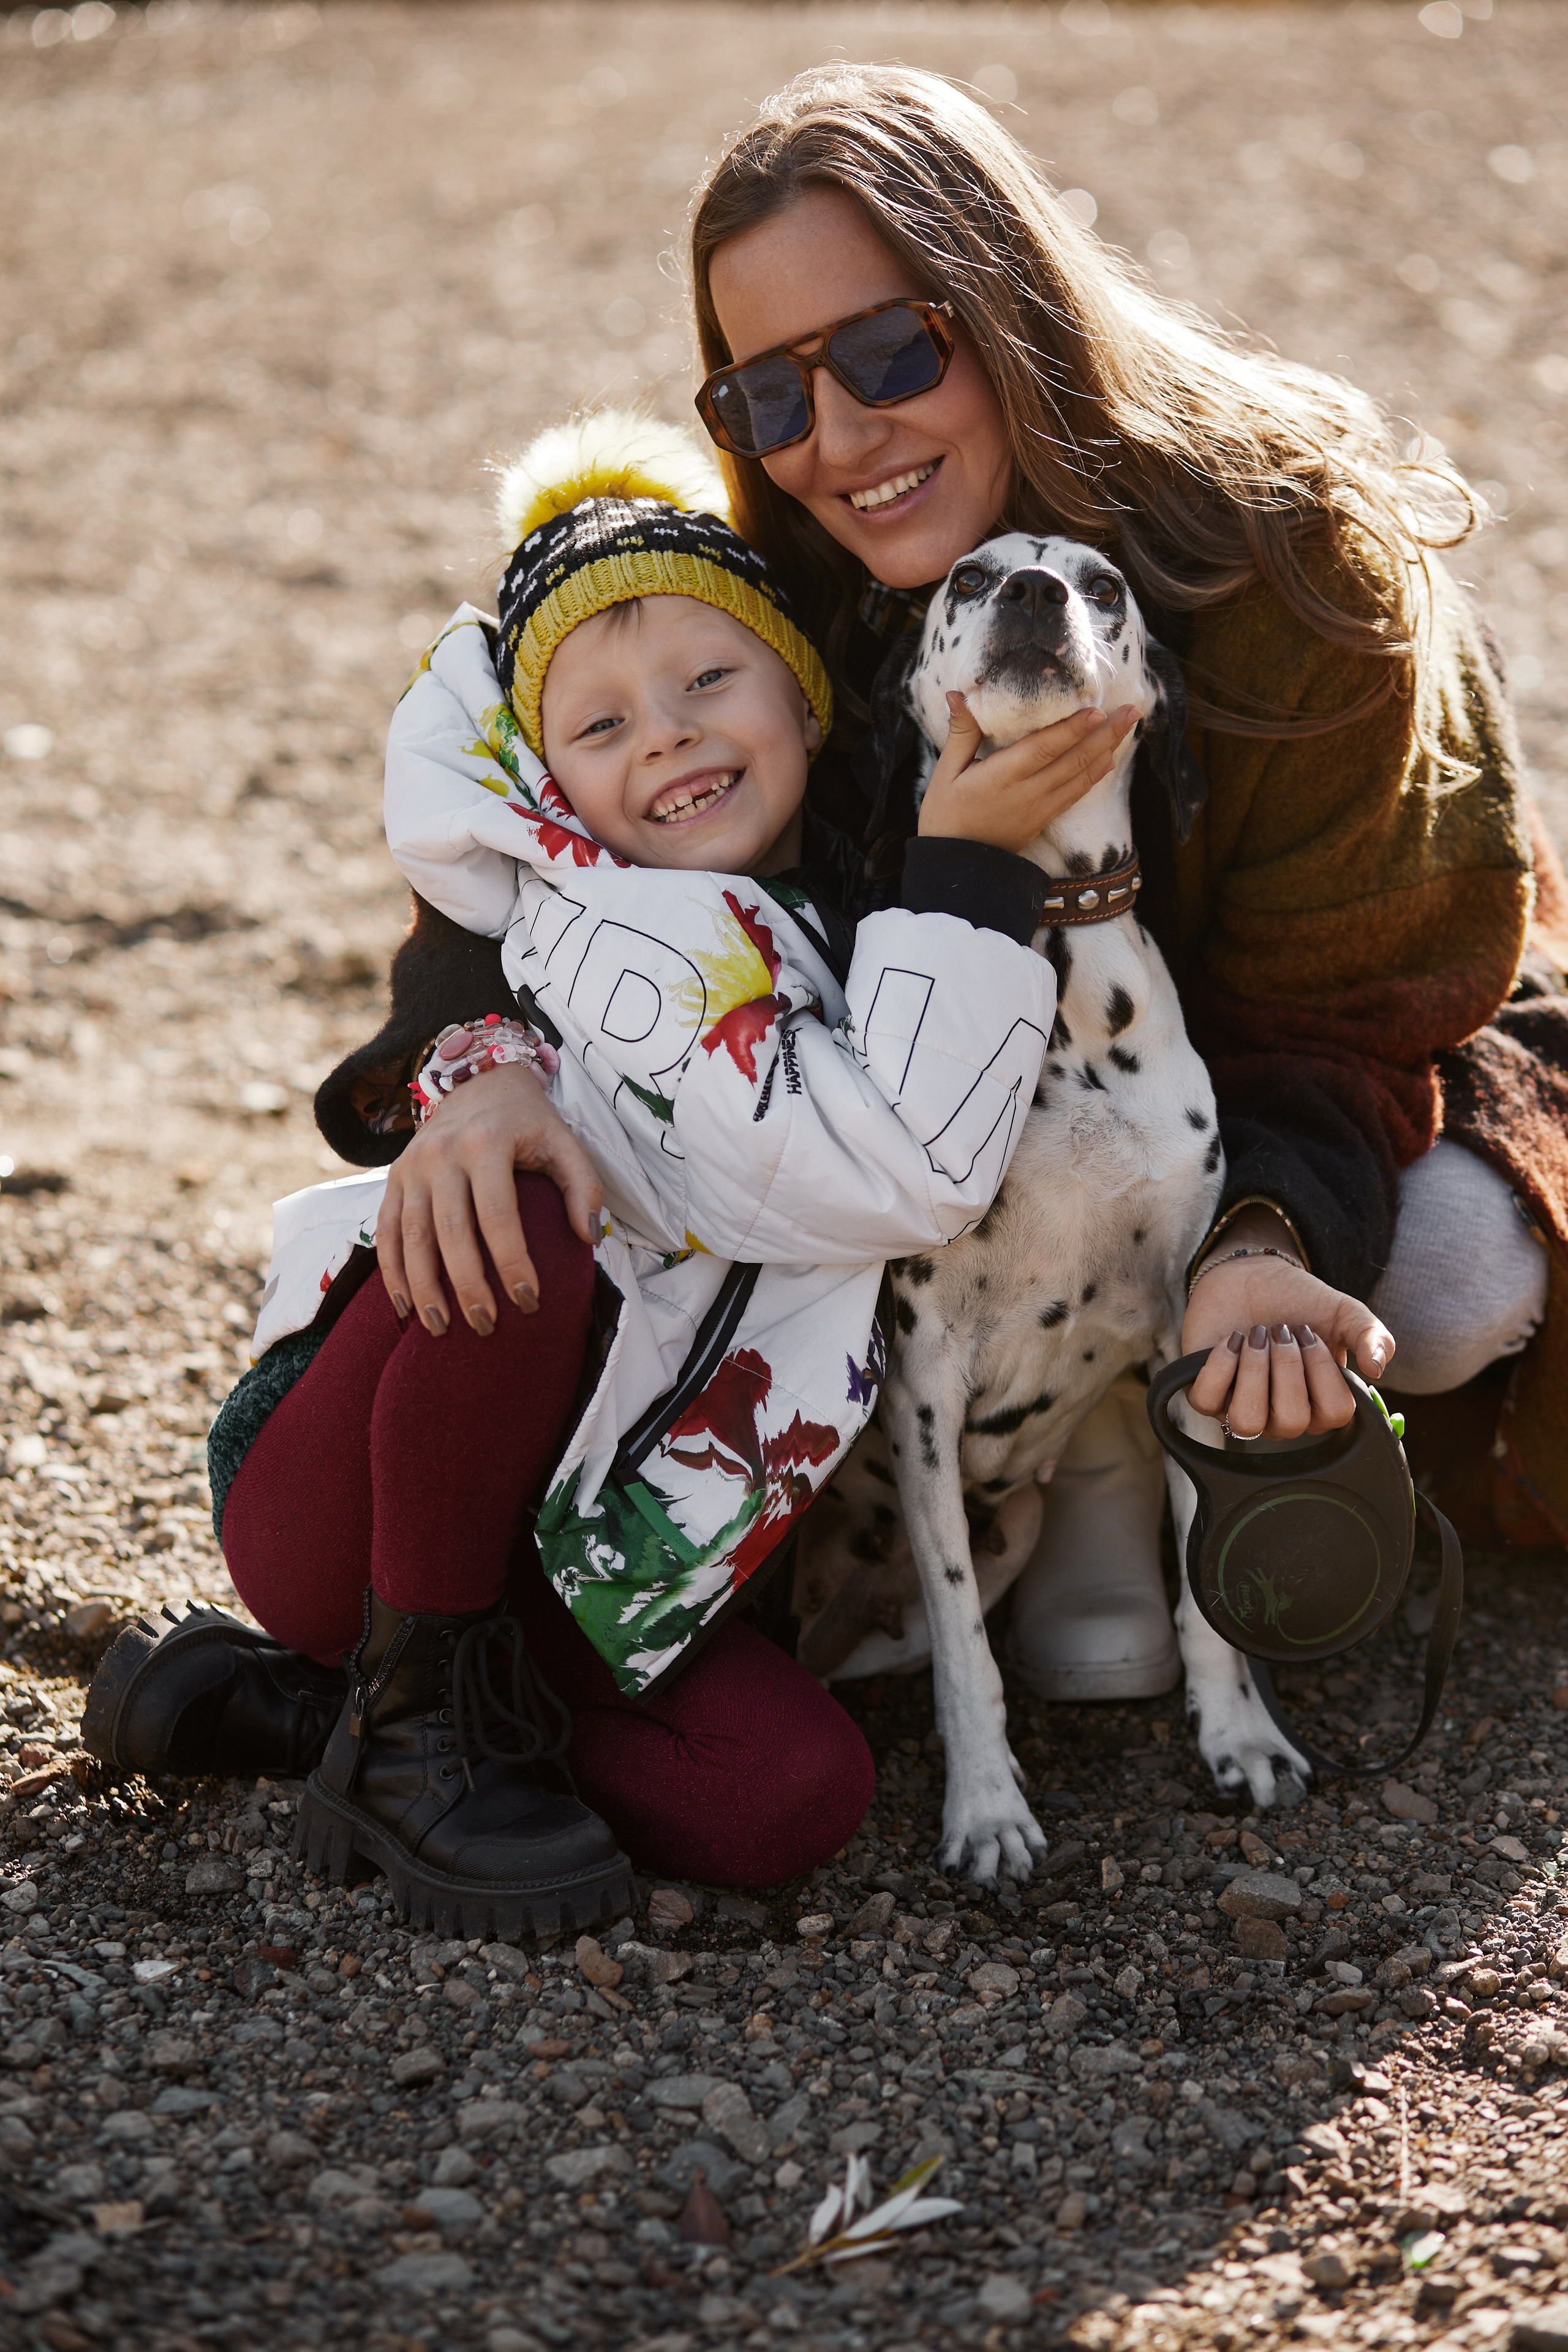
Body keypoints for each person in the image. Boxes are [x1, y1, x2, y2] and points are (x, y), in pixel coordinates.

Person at [301, 63, 1562, 1732]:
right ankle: (1015, 1501)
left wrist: (1264, 1237)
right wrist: (478, 1058)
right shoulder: (778, 585)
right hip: (943, 1127)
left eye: (894, 353)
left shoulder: (1301, 562)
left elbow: (1361, 998)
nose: (837, 439)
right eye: (765, 398)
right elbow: (546, 809)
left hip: (1271, 1087)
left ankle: (1176, 1458)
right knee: (766, 1204)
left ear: (1012, 306)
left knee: (1454, 1283)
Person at [85, 415, 1130, 1924]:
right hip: (356, 1501)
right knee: (524, 1200)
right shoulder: (617, 936)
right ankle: (404, 1724)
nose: (667, 737)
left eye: (710, 681)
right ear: (549, 787)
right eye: (601, 726)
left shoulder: (822, 924)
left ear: (807, 692)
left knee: (790, 1798)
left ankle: (335, 1715)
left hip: (589, 1543)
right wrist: (964, 862)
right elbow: (905, 1174)